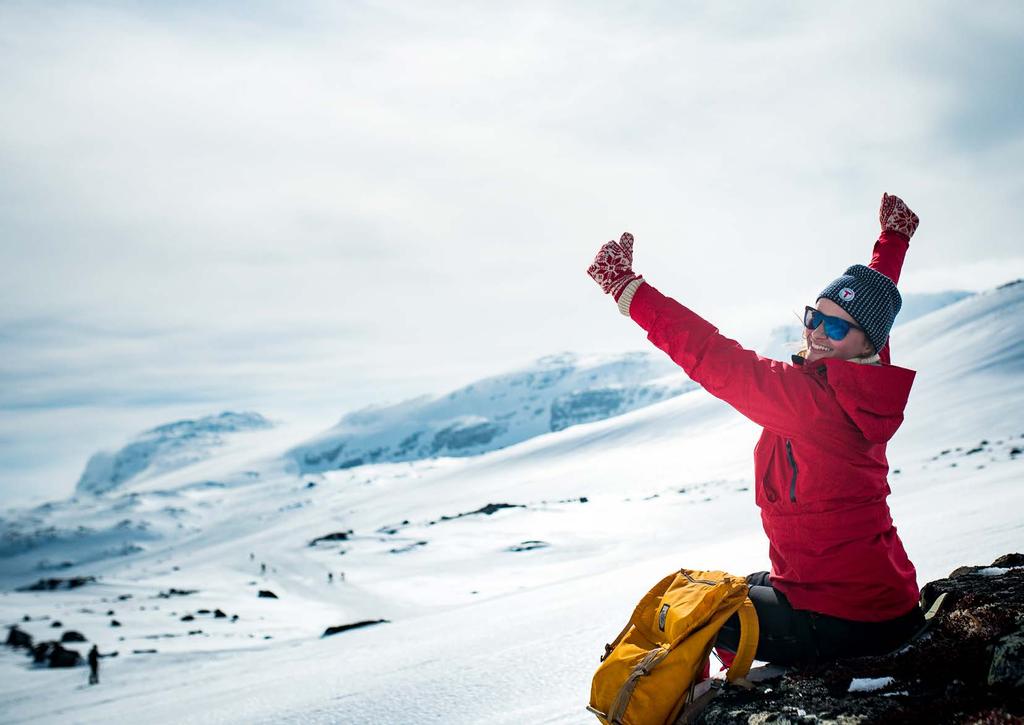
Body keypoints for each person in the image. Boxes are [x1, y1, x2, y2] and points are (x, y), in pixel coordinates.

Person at [586, 193, 924, 667]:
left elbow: (715, 358)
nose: (818, 333)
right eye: (815, 316)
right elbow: (874, 296)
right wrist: (893, 240)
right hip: (881, 600)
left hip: (845, 619)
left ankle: (714, 707)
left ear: (868, 341)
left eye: (835, 327)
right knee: (737, 589)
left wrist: (628, 289)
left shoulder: (812, 404)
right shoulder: (868, 379)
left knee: (696, 614)